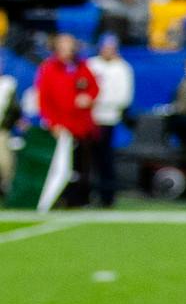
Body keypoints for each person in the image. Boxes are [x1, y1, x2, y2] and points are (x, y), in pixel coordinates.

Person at [31, 33, 97, 211]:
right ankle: (56, 199)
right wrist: (52, 122)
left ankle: (79, 199)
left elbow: (93, 88)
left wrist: (88, 97)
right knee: (61, 166)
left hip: (81, 125)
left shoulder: (81, 66)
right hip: (61, 125)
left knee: (81, 165)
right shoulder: (49, 68)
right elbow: (44, 99)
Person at [85, 35, 132, 207]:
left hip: (108, 119)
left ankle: (107, 197)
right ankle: (86, 195)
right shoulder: (91, 64)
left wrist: (97, 102)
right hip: (89, 118)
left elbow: (124, 98)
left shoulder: (122, 68)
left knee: (105, 158)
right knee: (87, 160)